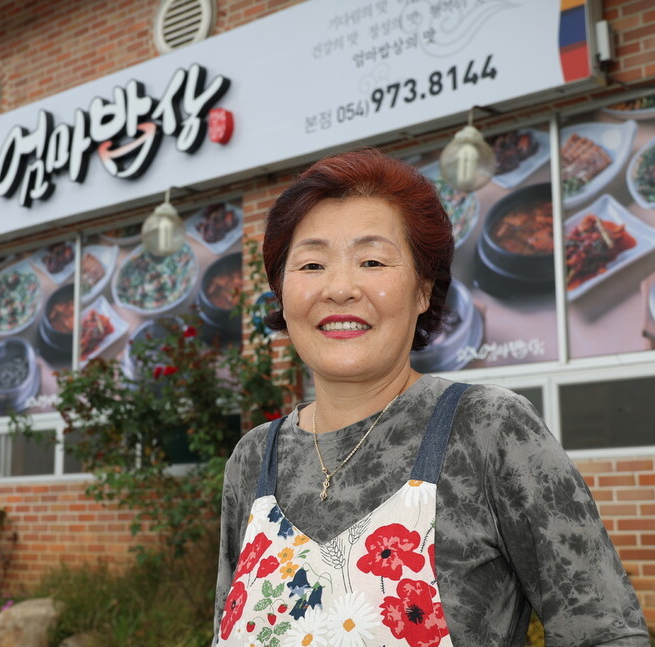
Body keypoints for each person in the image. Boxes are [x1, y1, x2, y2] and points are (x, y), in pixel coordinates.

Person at [212, 149, 649, 646]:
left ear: (423, 290)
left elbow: (605, 634)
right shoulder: (254, 458)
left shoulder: (487, 427)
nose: (340, 288)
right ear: (281, 292)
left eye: (372, 261)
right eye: (312, 264)